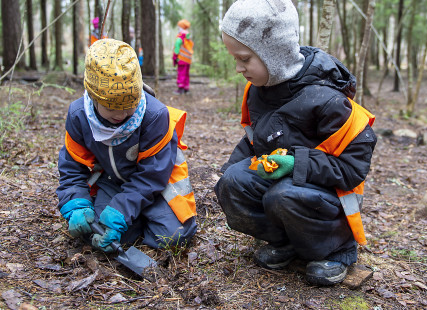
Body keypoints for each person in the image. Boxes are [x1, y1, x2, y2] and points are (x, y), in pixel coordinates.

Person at [214, 0, 377, 286]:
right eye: (235, 59)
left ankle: (337, 250)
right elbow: (254, 141)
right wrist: (230, 173)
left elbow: (351, 169)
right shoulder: (258, 92)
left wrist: (294, 163)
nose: (238, 68)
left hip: (326, 199)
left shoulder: (327, 99)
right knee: (233, 182)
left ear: (273, 53)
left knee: (284, 194)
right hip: (288, 189)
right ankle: (287, 242)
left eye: (244, 58)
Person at [56, 39, 197, 253]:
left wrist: (121, 209)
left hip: (158, 185)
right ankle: (133, 219)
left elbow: (152, 175)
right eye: (111, 108)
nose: (121, 115)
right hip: (113, 182)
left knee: (172, 236)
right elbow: (72, 167)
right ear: (94, 97)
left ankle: (140, 215)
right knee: (98, 235)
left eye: (129, 107)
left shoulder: (154, 116)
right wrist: (76, 203)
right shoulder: (79, 116)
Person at [172, 19, 194, 95]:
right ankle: (186, 88)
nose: (178, 28)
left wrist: (175, 57)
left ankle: (180, 89)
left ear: (181, 27)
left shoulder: (180, 37)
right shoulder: (188, 37)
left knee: (181, 73)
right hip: (188, 59)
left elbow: (177, 49)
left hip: (181, 59)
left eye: (179, 27)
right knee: (186, 74)